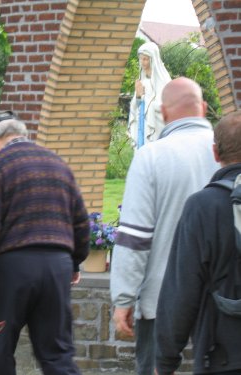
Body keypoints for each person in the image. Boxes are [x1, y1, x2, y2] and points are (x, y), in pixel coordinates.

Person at [0, 111, 90, 375]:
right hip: (57, 266)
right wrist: (75, 261)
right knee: (57, 353)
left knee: (1, 348)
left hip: (12, 268)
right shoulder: (58, 164)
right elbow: (81, 221)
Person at [110, 77, 220, 375]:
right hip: (221, 298)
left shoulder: (151, 157)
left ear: (163, 113)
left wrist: (123, 298)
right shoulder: (227, 154)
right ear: (204, 108)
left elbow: (135, 237)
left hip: (161, 298)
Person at [155, 111, 241, 375]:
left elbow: (182, 290)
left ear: (215, 153)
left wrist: (165, 360)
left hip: (224, 354)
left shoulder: (203, 207)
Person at [127, 41, 171, 148]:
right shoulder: (142, 80)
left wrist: (148, 105)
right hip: (142, 125)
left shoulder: (163, 80)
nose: (142, 62)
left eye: (145, 59)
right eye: (141, 59)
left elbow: (167, 106)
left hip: (156, 128)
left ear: (153, 59)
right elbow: (135, 107)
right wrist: (138, 96)